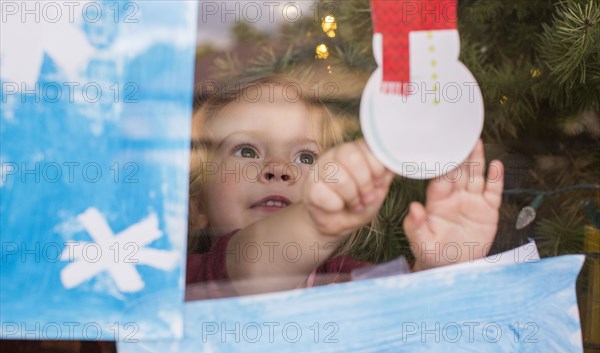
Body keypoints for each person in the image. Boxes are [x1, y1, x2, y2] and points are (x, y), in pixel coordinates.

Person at [186, 75, 504, 298]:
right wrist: (316, 218)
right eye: (247, 151)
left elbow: (406, 324)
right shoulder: (188, 278)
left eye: (306, 156)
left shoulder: (349, 280)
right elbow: (252, 266)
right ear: (198, 205)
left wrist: (440, 268)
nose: (279, 169)